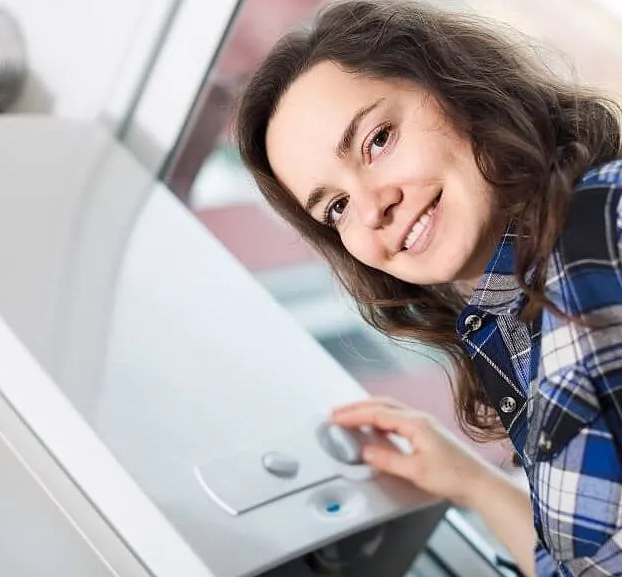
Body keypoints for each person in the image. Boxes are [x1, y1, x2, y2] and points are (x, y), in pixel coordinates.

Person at [235, 1, 622, 575]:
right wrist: (470, 482)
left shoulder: (606, 221)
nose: (371, 209)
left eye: (377, 140)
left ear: (460, 90)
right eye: (336, 207)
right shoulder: (504, 325)